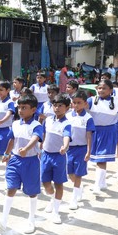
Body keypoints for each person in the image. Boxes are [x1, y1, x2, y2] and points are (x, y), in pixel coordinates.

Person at [0, 93, 43, 234]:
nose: (20, 110)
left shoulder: (37, 125)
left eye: (24, 108)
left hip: (31, 161)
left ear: (33, 110)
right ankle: (3, 221)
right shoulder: (14, 124)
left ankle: (31, 219)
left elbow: (35, 138)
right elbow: (12, 139)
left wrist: (26, 149)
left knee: (32, 192)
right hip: (15, 160)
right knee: (11, 187)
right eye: (19, 107)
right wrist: (7, 154)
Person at [87, 79, 118, 194]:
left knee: (101, 159)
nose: (101, 90)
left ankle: (97, 185)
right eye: (99, 88)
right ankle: (103, 183)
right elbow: (80, 110)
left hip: (108, 132)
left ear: (111, 90)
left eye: (104, 88)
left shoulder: (116, 102)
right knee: (97, 159)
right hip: (94, 132)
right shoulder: (91, 100)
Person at [41, 93, 72, 224]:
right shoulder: (48, 120)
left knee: (58, 183)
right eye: (55, 105)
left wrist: (65, 147)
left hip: (59, 157)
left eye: (60, 106)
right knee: (45, 183)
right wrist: (40, 147)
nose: (57, 108)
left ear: (67, 108)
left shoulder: (67, 124)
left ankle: (56, 212)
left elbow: (67, 136)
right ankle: (53, 198)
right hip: (45, 155)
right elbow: (43, 134)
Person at [66, 90, 95, 210]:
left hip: (81, 149)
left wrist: (88, 151)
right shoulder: (67, 116)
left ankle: (74, 199)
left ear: (85, 104)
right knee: (69, 173)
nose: (76, 105)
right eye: (74, 102)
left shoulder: (88, 118)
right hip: (69, 149)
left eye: (79, 103)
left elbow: (89, 136)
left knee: (78, 174)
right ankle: (79, 188)